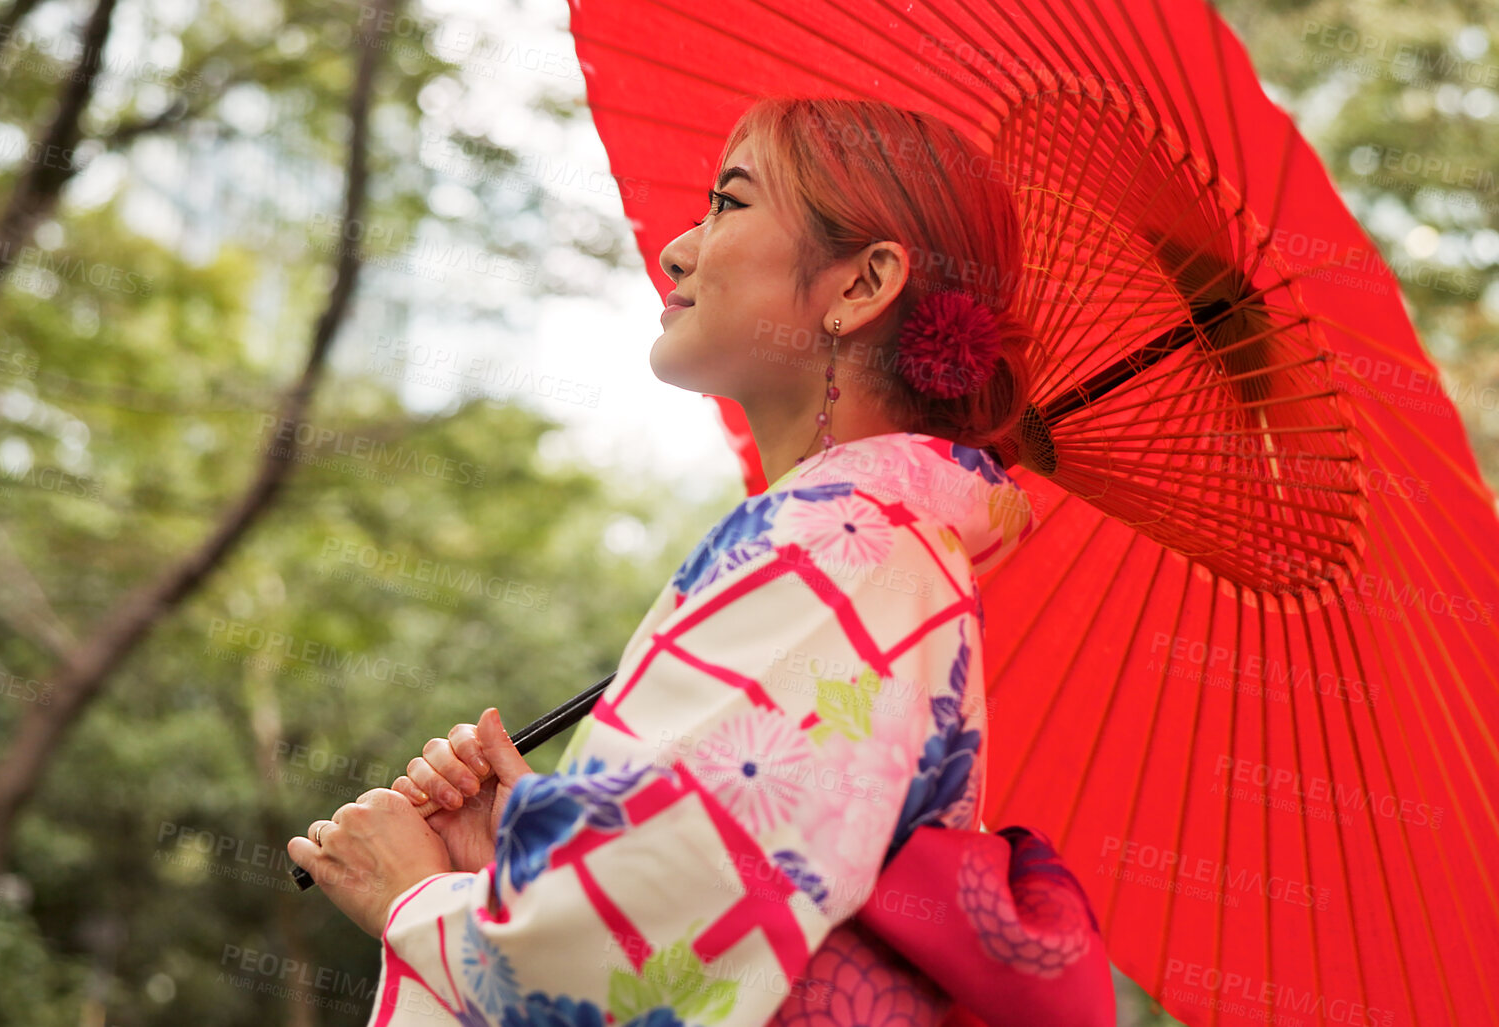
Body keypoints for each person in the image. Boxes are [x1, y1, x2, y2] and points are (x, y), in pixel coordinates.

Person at [287, 97, 1115, 1027]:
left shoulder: (844, 551)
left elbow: (625, 971)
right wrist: (533, 842)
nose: (678, 251)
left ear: (861, 285)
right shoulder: (869, 547)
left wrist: (413, 899)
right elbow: (740, 885)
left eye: (728, 203)